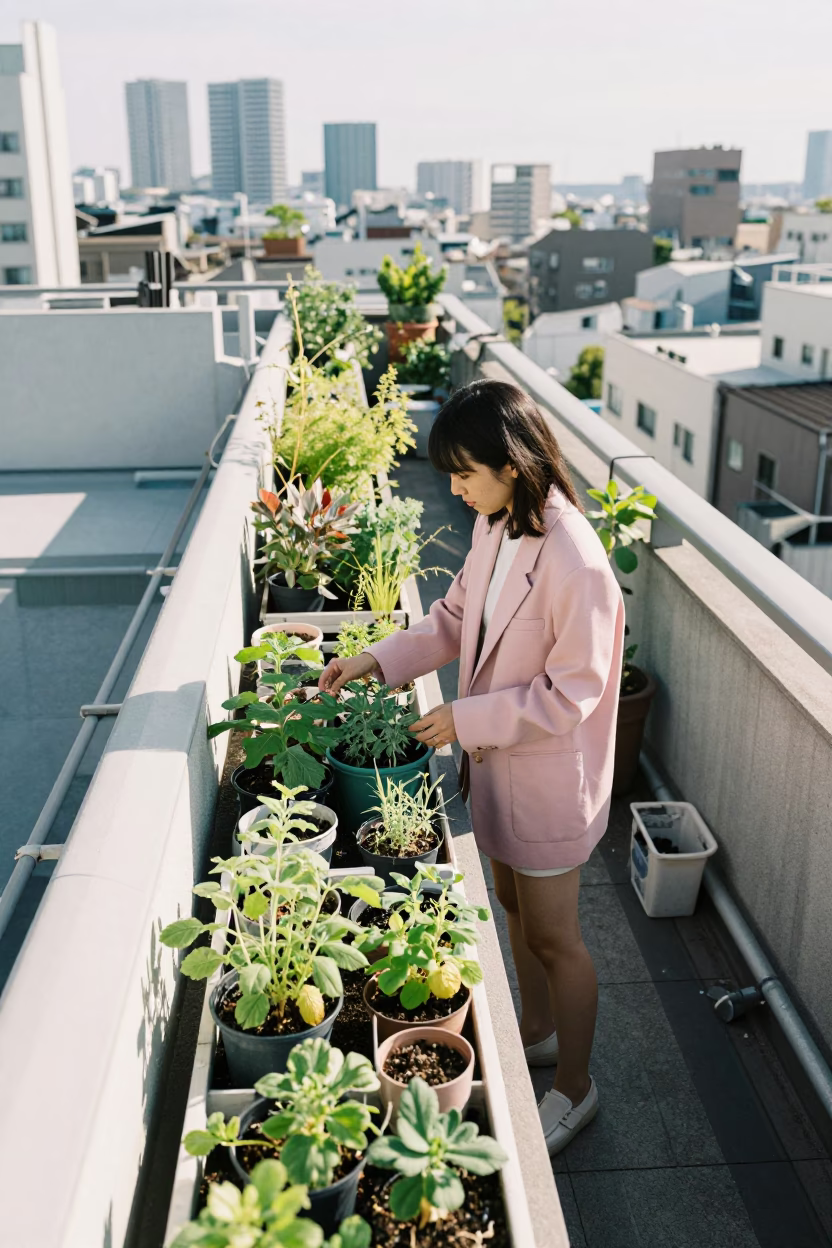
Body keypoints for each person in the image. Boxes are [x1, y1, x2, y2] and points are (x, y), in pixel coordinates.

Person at [318, 378, 624, 1155]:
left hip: (550, 779)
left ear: (512, 463)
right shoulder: (499, 524)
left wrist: (465, 719)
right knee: (516, 913)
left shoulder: (576, 561)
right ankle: (536, 1031)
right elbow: (454, 619)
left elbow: (573, 693)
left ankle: (576, 1089)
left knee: (558, 939)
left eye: (463, 472)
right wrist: (373, 660)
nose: (453, 488)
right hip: (498, 770)